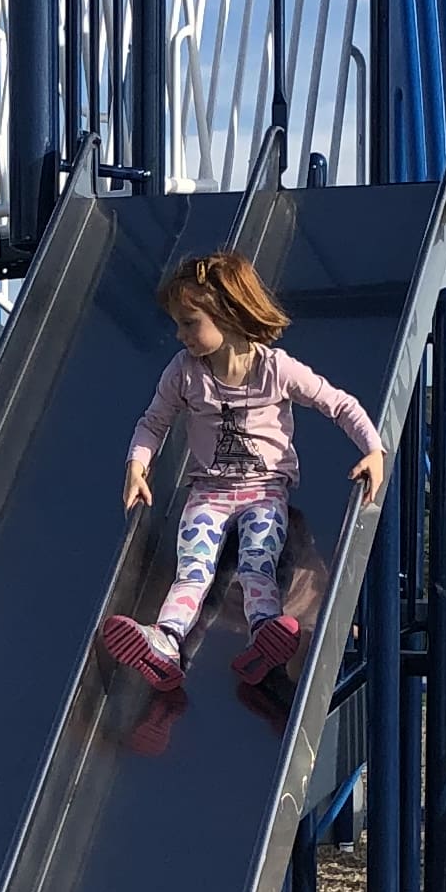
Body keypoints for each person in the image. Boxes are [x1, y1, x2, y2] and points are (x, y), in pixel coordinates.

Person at [98, 250, 389, 697]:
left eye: (189, 322)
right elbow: (152, 421)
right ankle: (166, 640)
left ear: (227, 314)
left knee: (258, 563)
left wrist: (373, 449)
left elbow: (339, 403)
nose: (180, 335)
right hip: (209, 492)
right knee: (192, 569)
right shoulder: (185, 373)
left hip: (263, 493)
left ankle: (266, 634)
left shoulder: (276, 368)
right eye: (178, 323)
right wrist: (137, 467)